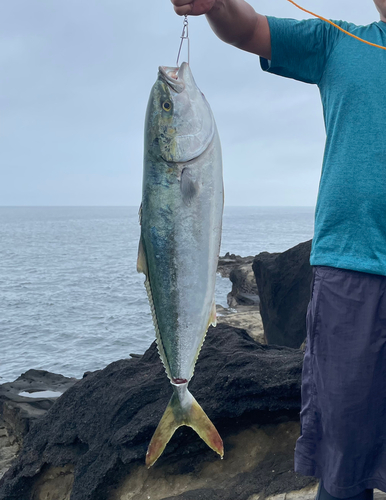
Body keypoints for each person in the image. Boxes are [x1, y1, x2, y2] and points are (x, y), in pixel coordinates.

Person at [170, 0, 386, 499]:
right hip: (349, 274)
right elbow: (245, 29)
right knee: (342, 456)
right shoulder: (337, 41)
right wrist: (216, 4)